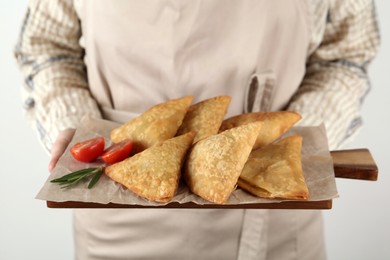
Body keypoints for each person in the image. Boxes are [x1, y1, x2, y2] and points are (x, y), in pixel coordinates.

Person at [15, 0, 380, 259]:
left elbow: (346, 54)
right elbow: (48, 48)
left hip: (273, 230)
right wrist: (76, 127)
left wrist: (282, 148)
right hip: (114, 219)